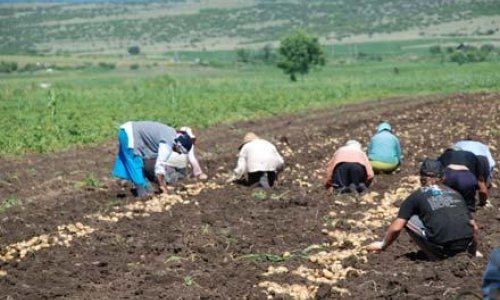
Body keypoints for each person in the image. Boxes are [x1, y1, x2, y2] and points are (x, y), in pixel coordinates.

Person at [367, 159, 479, 260]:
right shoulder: (455, 194)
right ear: (443, 177)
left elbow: (397, 228)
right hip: (465, 244)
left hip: (444, 247)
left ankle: (435, 256)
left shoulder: (415, 196)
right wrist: (472, 251)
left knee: (408, 220)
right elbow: (474, 227)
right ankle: (464, 252)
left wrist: (383, 245)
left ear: (421, 178)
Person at [112, 121, 192, 197]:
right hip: (129, 134)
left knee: (140, 163)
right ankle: (142, 193)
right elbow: (159, 165)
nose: (178, 153)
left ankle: (143, 186)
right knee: (135, 162)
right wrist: (163, 186)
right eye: (179, 151)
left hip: (129, 132)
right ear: (178, 145)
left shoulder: (172, 134)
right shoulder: (167, 143)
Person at [143, 126, 208, 185]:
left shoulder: (173, 138)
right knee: (174, 176)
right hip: (159, 163)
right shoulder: (172, 142)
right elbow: (191, 158)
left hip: (155, 161)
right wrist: (199, 173)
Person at [438, 145, 488, 213]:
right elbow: (482, 188)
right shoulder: (471, 155)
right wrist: (482, 203)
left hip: (448, 176)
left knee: (443, 206)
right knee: (468, 209)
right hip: (466, 179)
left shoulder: (443, 156)